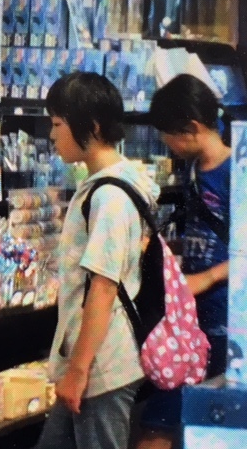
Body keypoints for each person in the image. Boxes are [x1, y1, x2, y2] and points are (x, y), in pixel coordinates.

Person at [36, 72, 160, 449]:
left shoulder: (110, 197)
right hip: (93, 362)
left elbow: (103, 288)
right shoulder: (115, 184)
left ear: (91, 126)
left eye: (58, 124)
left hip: (101, 367)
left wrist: (78, 371)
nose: (52, 135)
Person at [136, 74, 231, 449]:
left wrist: (206, 279)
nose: (166, 145)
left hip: (223, 319)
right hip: (189, 319)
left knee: (169, 420)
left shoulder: (236, 173)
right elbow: (200, 234)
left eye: (168, 136)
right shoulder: (194, 170)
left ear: (191, 128)